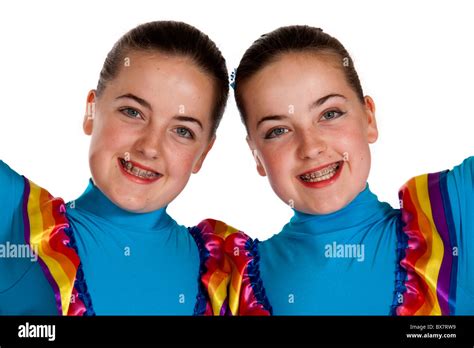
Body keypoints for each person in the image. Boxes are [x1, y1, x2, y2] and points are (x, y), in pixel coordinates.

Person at [204, 25, 473, 315]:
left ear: (368, 117)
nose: (310, 147)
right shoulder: (227, 284)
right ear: (256, 155)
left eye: (329, 114)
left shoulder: (453, 214)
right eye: (278, 130)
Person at [0, 20, 230, 315]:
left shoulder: (227, 269)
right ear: (91, 111)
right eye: (133, 112)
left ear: (203, 153)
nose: (150, 146)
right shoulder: (16, 221)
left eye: (182, 131)